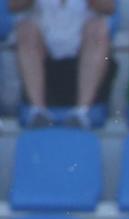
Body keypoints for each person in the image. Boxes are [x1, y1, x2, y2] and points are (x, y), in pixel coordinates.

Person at [11, 0, 117, 128]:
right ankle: (37, 111)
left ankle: (82, 111)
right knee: (26, 30)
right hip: (45, 53)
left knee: (98, 29)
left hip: (81, 50)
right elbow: (14, 6)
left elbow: (108, 7)